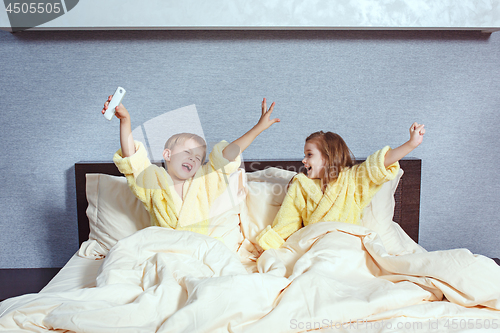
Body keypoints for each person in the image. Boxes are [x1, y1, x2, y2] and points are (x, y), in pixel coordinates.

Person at [101, 96, 280, 235]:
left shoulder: (205, 183)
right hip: (163, 248)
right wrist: (125, 121)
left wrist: (258, 128)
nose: (193, 159)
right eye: (187, 152)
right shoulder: (154, 181)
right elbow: (133, 161)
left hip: (195, 249)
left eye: (198, 158)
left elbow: (226, 156)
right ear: (167, 154)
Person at [256, 123, 425, 250]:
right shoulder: (301, 185)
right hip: (316, 248)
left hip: (347, 246)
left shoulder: (352, 180)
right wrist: (270, 245)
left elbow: (379, 164)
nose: (303, 160)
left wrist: (411, 143)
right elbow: (288, 222)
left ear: (328, 156)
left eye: (309, 155)